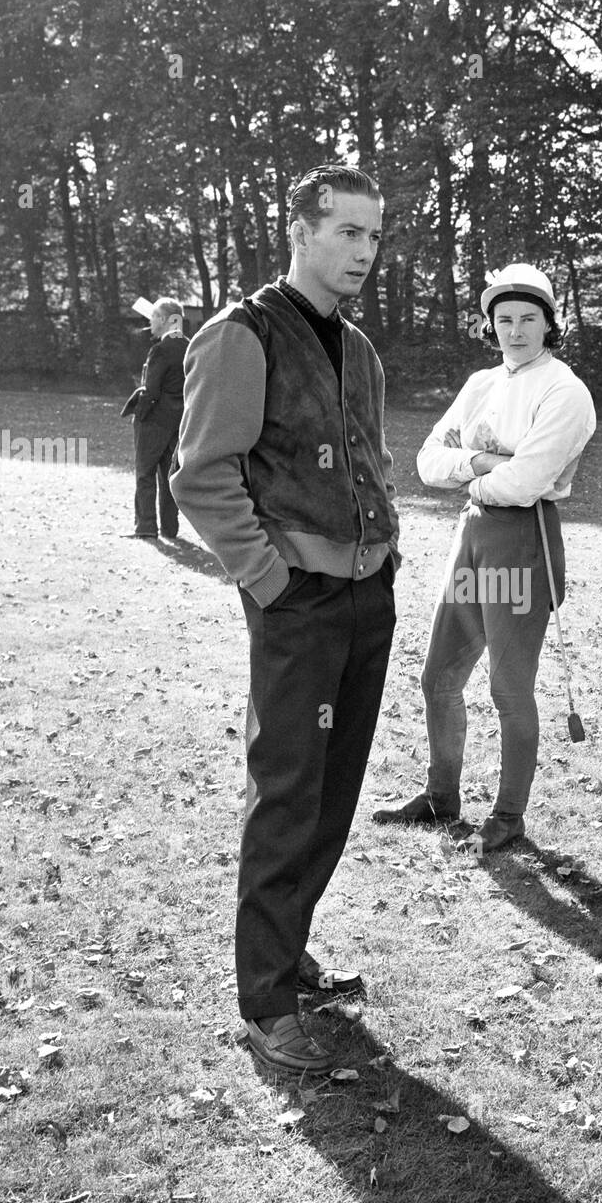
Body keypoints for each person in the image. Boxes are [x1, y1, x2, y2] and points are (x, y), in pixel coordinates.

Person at [171, 165, 398, 1075]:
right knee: (287, 790)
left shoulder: (362, 348)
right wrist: (267, 579)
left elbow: (367, 462)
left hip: (367, 599)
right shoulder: (242, 333)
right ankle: (266, 1002)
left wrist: (384, 558)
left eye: (375, 236)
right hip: (296, 605)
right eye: (348, 232)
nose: (364, 252)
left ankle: (290, 947)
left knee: (335, 790)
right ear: (300, 230)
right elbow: (202, 473)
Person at [372, 264, 595, 854]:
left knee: (508, 688)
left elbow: (526, 486)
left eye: (529, 319)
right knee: (438, 676)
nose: (516, 331)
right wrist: (484, 465)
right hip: (471, 535)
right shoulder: (479, 384)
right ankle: (441, 797)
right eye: (504, 320)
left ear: (551, 324)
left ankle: (508, 816)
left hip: (525, 541)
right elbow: (426, 463)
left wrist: (470, 466)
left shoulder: (564, 390)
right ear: (489, 326)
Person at [121, 297, 188, 541]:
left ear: (163, 320)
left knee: (145, 472)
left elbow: (151, 391)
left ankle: (146, 527)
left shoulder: (160, 349)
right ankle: (170, 529)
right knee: (169, 476)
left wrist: (139, 415)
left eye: (153, 317)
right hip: (180, 421)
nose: (150, 322)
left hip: (155, 420)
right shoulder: (190, 346)